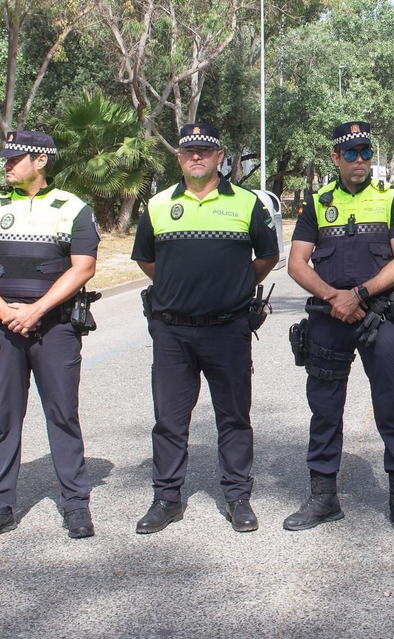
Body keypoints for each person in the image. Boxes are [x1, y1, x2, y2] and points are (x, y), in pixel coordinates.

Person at [131, 123, 280, 535]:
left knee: (234, 417)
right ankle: (166, 499)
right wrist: (174, 286)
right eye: (189, 151)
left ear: (219, 157)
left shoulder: (247, 203)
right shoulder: (158, 205)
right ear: (179, 158)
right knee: (169, 420)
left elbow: (268, 255)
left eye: (204, 150)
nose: (196, 156)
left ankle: (238, 498)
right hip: (172, 332)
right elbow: (145, 259)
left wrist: (236, 286)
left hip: (227, 329)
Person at [0, 130, 99, 543]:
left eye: (14, 159)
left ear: (40, 160)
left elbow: (83, 267)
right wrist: (6, 312)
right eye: (5, 159)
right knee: (3, 419)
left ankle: (75, 505)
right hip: (2, 329)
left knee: (63, 415)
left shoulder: (72, 208)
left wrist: (37, 310)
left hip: (55, 329)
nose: (6, 165)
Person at [284, 121, 394, 534]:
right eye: (350, 153)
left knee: (391, 405)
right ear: (335, 158)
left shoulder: (392, 199)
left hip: (381, 317)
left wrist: (358, 294)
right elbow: (296, 264)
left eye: (365, 152)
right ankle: (324, 498)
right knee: (325, 409)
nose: (359, 159)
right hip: (329, 319)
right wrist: (334, 297)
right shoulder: (317, 203)